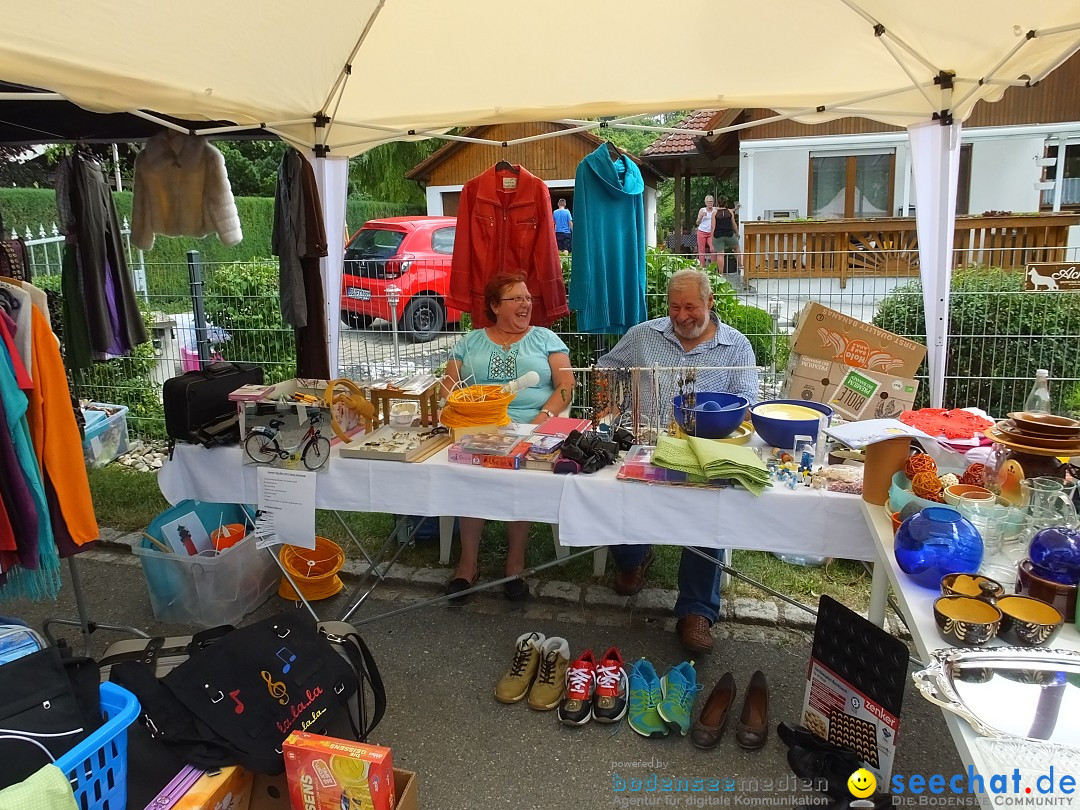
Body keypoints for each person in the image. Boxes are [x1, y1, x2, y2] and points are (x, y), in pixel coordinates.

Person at [596, 268, 759, 655]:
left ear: (709, 302)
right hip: (647, 442)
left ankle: (696, 611)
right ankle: (633, 557)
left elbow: (749, 405)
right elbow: (606, 366)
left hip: (705, 450)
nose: (682, 315)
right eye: (674, 307)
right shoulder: (644, 335)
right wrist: (610, 402)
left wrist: (724, 430)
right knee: (616, 488)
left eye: (691, 307)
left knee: (708, 509)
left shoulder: (736, 346)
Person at [440, 273, 575, 603]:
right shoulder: (470, 342)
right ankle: (468, 565)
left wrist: (544, 419)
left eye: (528, 298)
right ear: (495, 306)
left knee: (521, 477)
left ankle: (514, 564)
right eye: (517, 298)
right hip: (477, 428)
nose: (526, 303)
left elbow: (567, 385)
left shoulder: (545, 338)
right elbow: (448, 386)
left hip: (532, 428)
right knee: (468, 476)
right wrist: (457, 407)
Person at [712, 199, 743, 274]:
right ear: (726, 204)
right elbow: (734, 224)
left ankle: (721, 273)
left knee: (720, 254)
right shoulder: (730, 212)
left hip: (718, 235)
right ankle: (740, 266)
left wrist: (711, 237)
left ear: (718, 204)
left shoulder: (715, 213)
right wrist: (737, 233)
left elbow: (713, 227)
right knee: (736, 248)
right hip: (729, 234)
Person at [695, 196, 717, 268]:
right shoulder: (702, 210)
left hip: (711, 232)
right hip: (702, 231)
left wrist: (735, 209)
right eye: (708, 202)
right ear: (705, 203)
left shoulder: (715, 209)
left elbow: (725, 210)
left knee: (713, 249)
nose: (710, 203)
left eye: (711, 201)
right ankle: (702, 268)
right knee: (701, 251)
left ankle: (713, 268)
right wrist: (701, 216)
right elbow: (697, 222)